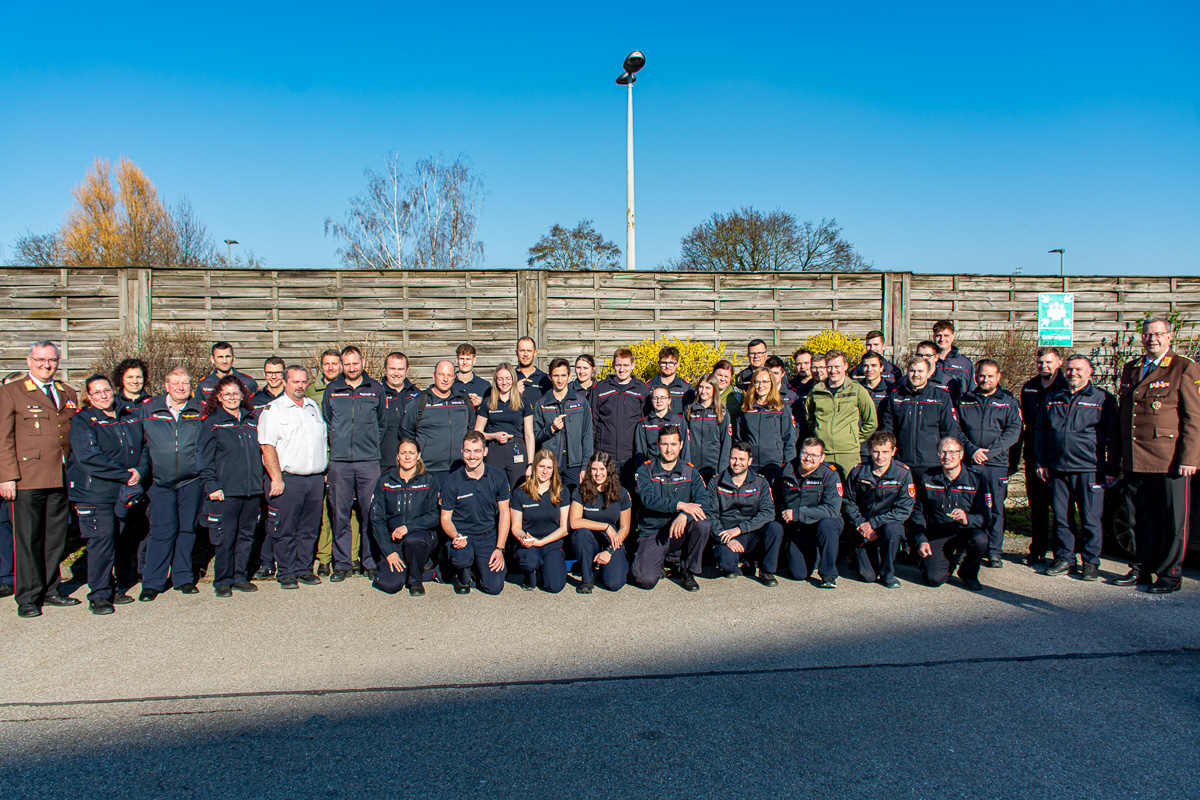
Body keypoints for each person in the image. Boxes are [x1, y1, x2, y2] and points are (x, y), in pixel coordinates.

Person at [1115, 316, 1200, 594]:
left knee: (1173, 522)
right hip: (1136, 458)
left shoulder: (1183, 367)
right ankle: (1141, 568)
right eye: (1148, 334)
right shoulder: (1132, 368)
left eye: (1158, 334)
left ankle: (1169, 575)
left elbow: (1194, 417)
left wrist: (1190, 458)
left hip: (1169, 460)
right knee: (1138, 518)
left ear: (1169, 337)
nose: (1152, 339)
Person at [0, 341, 82, 617]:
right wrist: (7, 477)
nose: (46, 365)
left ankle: (50, 590)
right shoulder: (11, 392)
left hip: (60, 475)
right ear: (29, 361)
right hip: (27, 477)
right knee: (27, 539)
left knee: (55, 539)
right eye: (40, 360)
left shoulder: (67, 392)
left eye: (52, 360)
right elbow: (3, 438)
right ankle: (27, 596)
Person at [1034, 355, 1119, 581]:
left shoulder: (1102, 398)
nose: (1073, 373)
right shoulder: (1052, 397)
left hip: (1090, 468)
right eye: (1070, 369)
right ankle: (1065, 558)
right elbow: (1040, 432)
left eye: (1079, 369)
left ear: (1089, 372)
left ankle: (1090, 562)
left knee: (1090, 519)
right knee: (1062, 518)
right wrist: (1041, 462)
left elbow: (1114, 436)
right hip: (1057, 469)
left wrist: (1112, 469)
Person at [67, 375, 142, 614]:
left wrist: (139, 471)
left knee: (121, 540)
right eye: (96, 392)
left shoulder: (128, 415)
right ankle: (99, 594)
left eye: (106, 390)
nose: (103, 396)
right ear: (89, 397)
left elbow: (143, 447)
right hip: (94, 492)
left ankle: (115, 587)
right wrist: (124, 474)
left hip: (122, 490)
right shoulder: (83, 419)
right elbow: (89, 456)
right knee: (101, 542)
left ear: (113, 391)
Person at [136, 367, 204, 600]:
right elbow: (141, 444)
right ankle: (152, 582)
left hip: (191, 480)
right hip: (159, 482)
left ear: (191, 387)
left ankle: (183, 578)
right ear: (166, 386)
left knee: (186, 530)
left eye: (185, 383)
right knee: (161, 531)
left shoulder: (199, 409)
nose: (180, 387)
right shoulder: (149, 409)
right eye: (175, 383)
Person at [258, 365, 327, 590]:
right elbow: (267, 447)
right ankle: (286, 572)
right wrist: (276, 478)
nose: (300, 386)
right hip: (288, 478)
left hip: (314, 479)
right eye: (295, 381)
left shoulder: (313, 407)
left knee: (309, 528)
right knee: (285, 528)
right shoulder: (274, 410)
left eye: (303, 381)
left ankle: (304, 569)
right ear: (285, 382)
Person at [197, 375, 264, 597]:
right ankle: (222, 580)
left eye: (235, 393)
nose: (232, 398)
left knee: (246, 535)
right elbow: (204, 458)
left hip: (251, 489)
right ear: (219, 397)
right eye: (227, 394)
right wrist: (212, 485)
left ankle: (239, 576)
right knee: (226, 537)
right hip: (226, 491)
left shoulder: (251, 420)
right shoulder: (212, 422)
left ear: (242, 395)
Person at [322, 345, 385, 581]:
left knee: (370, 513)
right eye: (347, 364)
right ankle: (342, 563)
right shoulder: (332, 390)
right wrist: (338, 445)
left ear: (362, 362)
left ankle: (370, 561)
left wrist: (369, 445)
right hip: (340, 463)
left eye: (355, 363)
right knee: (340, 513)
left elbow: (381, 424)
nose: (351, 368)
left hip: (368, 462)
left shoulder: (375, 389)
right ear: (342, 365)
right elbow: (328, 422)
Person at [956, 359, 1022, 569]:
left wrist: (989, 453)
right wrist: (972, 450)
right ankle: (965, 547)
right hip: (970, 462)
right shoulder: (964, 400)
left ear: (998, 377)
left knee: (995, 508)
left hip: (996, 464)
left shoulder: (1008, 402)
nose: (985, 379)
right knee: (966, 506)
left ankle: (994, 551)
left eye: (990, 376)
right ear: (976, 376)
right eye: (982, 375)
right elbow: (956, 429)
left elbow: (1013, 432)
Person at [631, 425, 711, 591]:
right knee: (645, 580)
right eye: (665, 444)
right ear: (657, 445)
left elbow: (704, 500)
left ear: (681, 445)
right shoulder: (645, 470)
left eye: (673, 444)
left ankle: (687, 571)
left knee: (702, 524)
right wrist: (680, 505)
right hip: (654, 532)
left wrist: (684, 515)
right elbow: (648, 499)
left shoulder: (690, 471)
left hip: (679, 531)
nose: (669, 449)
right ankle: (658, 561)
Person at [910, 436, 989, 590]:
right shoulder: (927, 478)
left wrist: (967, 519)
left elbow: (985, 516)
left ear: (961, 454)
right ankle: (946, 563)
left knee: (980, 540)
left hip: (965, 531)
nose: (947, 457)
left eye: (952, 452)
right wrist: (921, 540)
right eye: (943, 452)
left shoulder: (977, 480)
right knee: (933, 579)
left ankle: (968, 573)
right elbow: (917, 511)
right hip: (938, 533)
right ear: (938, 455)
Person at [440, 431, 511, 595]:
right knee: (462, 558)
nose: (472, 456)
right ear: (462, 452)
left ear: (485, 452)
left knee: (494, 587)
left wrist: (499, 549)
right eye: (468, 451)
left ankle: (477, 570)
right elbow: (445, 518)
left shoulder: (498, 477)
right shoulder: (452, 481)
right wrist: (455, 536)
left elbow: (504, 514)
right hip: (463, 536)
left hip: (487, 537)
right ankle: (462, 574)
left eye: (477, 451)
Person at [1015, 347, 1067, 565]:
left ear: (1059, 363)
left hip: (1058, 456)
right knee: (1037, 506)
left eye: (1048, 362)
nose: (1043, 366)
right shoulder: (1029, 388)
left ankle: (1063, 554)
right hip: (1034, 455)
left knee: (1061, 509)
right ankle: (1037, 549)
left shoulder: (1066, 387)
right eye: (1040, 362)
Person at [368, 437, 440, 596]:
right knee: (391, 585)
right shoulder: (385, 481)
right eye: (403, 453)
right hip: (394, 541)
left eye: (411, 453)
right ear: (397, 456)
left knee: (414, 539)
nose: (407, 457)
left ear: (418, 455)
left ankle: (415, 581)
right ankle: (412, 570)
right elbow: (377, 519)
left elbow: (435, 515)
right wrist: (389, 552)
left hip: (420, 537)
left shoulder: (429, 480)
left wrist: (408, 527)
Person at [843, 431, 914, 588]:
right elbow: (848, 502)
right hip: (863, 528)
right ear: (869, 450)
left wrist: (873, 523)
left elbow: (903, 510)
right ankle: (862, 557)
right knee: (868, 576)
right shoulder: (857, 472)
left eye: (885, 452)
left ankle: (888, 574)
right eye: (876, 451)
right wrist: (861, 524)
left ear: (893, 451)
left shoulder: (903, 473)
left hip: (887, 525)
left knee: (893, 529)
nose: (880, 457)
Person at [708, 440, 782, 586]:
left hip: (752, 533)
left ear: (749, 461)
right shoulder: (716, 482)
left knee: (775, 528)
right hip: (727, 535)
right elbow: (710, 516)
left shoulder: (760, 482)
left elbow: (768, 513)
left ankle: (766, 571)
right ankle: (744, 564)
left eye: (741, 459)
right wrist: (726, 539)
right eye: (733, 458)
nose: (737, 463)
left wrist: (741, 529)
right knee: (728, 566)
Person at [877, 357, 963, 477]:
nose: (916, 375)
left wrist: (947, 457)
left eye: (920, 371)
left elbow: (949, 430)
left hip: (931, 462)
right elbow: (887, 429)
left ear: (928, 373)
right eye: (912, 371)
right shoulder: (896, 397)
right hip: (902, 462)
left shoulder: (941, 397)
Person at [778, 438, 844, 588]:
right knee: (798, 574)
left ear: (822, 457)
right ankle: (812, 556)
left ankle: (828, 574)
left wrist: (798, 513)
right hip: (799, 527)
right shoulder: (786, 470)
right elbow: (776, 499)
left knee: (828, 525)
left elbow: (832, 509)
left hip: (823, 523)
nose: (808, 458)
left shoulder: (830, 474)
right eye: (805, 453)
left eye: (814, 455)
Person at [804, 349, 877, 477]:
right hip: (823, 453)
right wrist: (818, 432)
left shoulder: (857, 390)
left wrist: (854, 437)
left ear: (846, 366)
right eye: (829, 367)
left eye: (837, 366)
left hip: (848, 453)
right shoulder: (816, 391)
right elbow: (809, 418)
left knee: (850, 486)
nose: (833, 371)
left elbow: (871, 421)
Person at [401, 360, 476, 485]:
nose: (445, 379)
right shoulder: (420, 402)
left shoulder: (463, 400)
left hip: (460, 468)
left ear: (454, 377)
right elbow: (406, 433)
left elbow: (471, 429)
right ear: (433, 375)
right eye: (441, 374)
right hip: (428, 470)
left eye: (449, 375)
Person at [569, 451, 632, 593]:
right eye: (594, 469)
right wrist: (605, 526)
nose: (598, 474)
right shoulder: (581, 491)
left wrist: (609, 551)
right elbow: (574, 522)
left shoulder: (621, 493)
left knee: (614, 584)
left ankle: (609, 565)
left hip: (611, 542)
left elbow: (625, 528)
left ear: (609, 470)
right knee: (581, 534)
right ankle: (587, 579)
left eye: (602, 469)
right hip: (588, 541)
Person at [510, 449, 571, 592]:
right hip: (528, 544)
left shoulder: (562, 491)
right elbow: (516, 527)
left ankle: (548, 567)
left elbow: (564, 528)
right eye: (541, 466)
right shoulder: (520, 492)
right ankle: (529, 574)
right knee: (530, 561)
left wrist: (542, 542)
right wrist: (524, 538)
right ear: (534, 467)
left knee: (555, 586)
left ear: (554, 470)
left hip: (552, 543)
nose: (545, 471)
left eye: (549, 467)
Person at [249, 355, 287, 579]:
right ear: (264, 374)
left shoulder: (290, 397)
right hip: (261, 466)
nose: (273, 376)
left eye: (278, 372)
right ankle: (265, 561)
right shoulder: (254, 400)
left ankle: (285, 560)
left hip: (286, 465)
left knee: (283, 516)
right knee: (266, 517)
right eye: (269, 373)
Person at [592, 347, 651, 486]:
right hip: (606, 455)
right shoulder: (601, 388)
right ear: (613, 365)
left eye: (625, 365)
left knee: (630, 494)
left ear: (633, 366)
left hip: (631, 455)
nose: (622, 369)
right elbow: (593, 422)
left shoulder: (641, 389)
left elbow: (647, 422)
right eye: (618, 365)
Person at [532, 358, 593, 491]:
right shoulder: (542, 404)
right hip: (551, 464)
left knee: (575, 500)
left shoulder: (581, 402)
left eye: (563, 375)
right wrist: (551, 429)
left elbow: (587, 436)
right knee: (552, 500)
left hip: (575, 465)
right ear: (549, 377)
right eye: (556, 376)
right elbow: (534, 436)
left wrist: (585, 466)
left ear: (569, 376)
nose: (560, 380)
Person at [474, 362, 536, 488]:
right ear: (495, 381)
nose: (504, 382)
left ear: (513, 379)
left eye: (508, 378)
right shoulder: (488, 402)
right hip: (494, 451)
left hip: (517, 451)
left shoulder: (523, 402)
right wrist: (493, 436)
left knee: (519, 490)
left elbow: (529, 435)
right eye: (500, 379)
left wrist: (530, 464)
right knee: (494, 489)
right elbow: (477, 433)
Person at [736, 367, 797, 484]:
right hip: (751, 464)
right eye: (757, 382)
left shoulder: (781, 408)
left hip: (774, 463)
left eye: (765, 382)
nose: (760, 385)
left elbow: (789, 438)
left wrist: (788, 465)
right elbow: (739, 438)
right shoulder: (746, 408)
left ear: (771, 383)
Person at [684, 374, 732, 483]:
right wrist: (686, 464)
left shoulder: (722, 413)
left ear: (714, 390)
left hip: (713, 467)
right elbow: (684, 440)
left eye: (707, 388)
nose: (703, 391)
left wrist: (722, 471)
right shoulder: (689, 411)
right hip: (692, 466)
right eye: (701, 387)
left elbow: (726, 444)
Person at [379, 351, 421, 472]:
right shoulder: (378, 394)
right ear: (385, 369)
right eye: (392, 369)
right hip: (384, 462)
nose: (396, 373)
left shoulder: (417, 395)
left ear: (406, 370)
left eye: (400, 369)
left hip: (411, 462)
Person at [855, 350, 895, 462]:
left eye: (874, 365)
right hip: (861, 447)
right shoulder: (855, 389)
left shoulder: (891, 390)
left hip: (882, 448)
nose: (869, 369)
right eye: (866, 366)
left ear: (881, 368)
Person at [634, 386, 690, 465]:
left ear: (669, 400)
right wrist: (642, 470)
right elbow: (640, 452)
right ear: (651, 400)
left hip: (674, 467)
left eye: (663, 398)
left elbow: (685, 450)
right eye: (655, 398)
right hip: (652, 467)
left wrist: (685, 469)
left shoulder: (679, 421)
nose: (659, 401)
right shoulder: (644, 423)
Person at [932, 320, 975, 398]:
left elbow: (972, 391)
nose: (942, 339)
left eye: (946, 335)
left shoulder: (965, 363)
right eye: (938, 335)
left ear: (952, 337)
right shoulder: (927, 361)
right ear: (933, 337)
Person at [647, 346, 695, 414]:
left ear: (677, 364)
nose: (667, 366)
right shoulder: (649, 386)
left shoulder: (686, 388)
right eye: (664, 363)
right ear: (659, 364)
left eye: (671, 363)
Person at [514, 337, 551, 406]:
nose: (525, 354)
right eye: (522, 350)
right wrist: (513, 393)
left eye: (529, 351)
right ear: (516, 352)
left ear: (535, 353)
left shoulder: (545, 379)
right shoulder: (509, 378)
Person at [453, 343, 489, 409]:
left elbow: (490, 410)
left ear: (474, 360)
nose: (465, 362)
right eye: (462, 359)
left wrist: (481, 405)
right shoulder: (449, 384)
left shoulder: (485, 386)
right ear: (456, 360)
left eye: (468, 359)